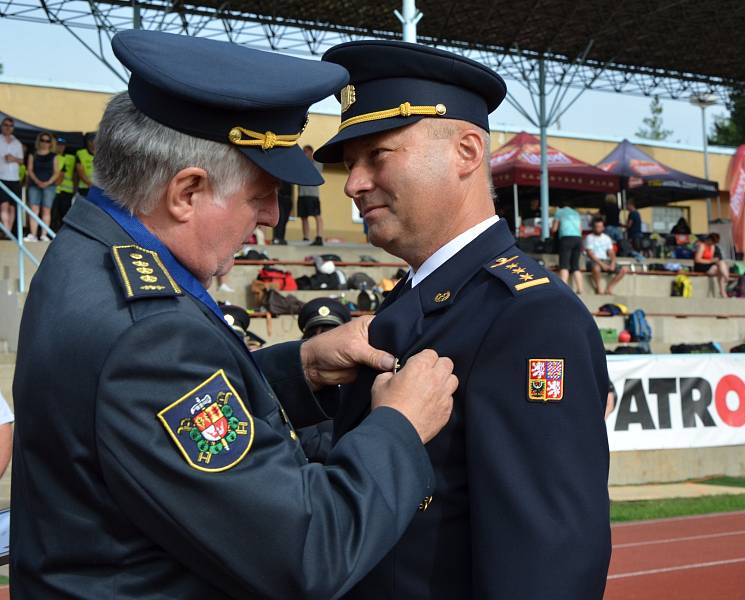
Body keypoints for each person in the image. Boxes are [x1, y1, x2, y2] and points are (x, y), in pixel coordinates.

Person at [11, 30, 459, 599]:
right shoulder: (149, 335)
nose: (273, 216)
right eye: (260, 194)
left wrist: (298, 369)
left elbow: (150, 417)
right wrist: (400, 425)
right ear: (187, 192)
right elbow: (308, 552)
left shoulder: (91, 250)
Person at [314, 40, 611, 600]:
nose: (353, 184)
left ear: (467, 151)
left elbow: (546, 560)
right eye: (350, 164)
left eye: (377, 155)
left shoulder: (530, 315)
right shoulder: (418, 298)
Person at [24, 131, 59, 241]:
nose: (44, 142)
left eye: (47, 141)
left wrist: (48, 182)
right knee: (34, 209)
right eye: (42, 140)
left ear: (50, 143)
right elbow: (29, 170)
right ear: (38, 141)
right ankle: (33, 234)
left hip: (49, 185)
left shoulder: (54, 156)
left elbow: (56, 172)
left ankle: (44, 234)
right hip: (34, 184)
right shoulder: (32, 154)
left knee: (46, 210)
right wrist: (38, 181)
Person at [584, 216, 628, 295]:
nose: (598, 229)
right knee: (596, 268)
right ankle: (599, 288)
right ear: (593, 227)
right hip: (594, 261)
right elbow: (590, 254)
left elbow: (611, 252)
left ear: (603, 227)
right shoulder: (589, 237)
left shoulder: (607, 238)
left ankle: (609, 288)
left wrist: (613, 263)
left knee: (624, 270)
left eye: (600, 227)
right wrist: (602, 264)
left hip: (605, 260)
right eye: (597, 227)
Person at [550, 199, 585, 293]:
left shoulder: (559, 212)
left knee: (564, 265)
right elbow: (580, 229)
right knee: (575, 266)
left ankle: (564, 289)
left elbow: (554, 229)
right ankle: (580, 289)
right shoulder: (576, 213)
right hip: (578, 239)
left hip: (566, 239)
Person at [0, 117, 24, 236]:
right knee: (3, 205)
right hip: (2, 178)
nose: (8, 127)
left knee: (12, 207)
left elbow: (21, 160)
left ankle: (7, 232)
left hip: (14, 178)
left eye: (10, 125)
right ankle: (7, 231)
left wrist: (13, 158)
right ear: (1, 126)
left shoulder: (17, 143)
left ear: (13, 128)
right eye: (5, 125)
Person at [298, 144, 324, 245]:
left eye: (306, 152)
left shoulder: (316, 162)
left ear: (310, 152)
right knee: (303, 216)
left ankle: (319, 236)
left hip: (313, 195)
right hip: (302, 194)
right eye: (303, 151)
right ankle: (306, 237)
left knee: (317, 215)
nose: (304, 154)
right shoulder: (300, 164)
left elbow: (315, 173)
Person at [694, 232, 730, 297]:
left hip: (708, 265)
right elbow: (697, 260)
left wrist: (714, 261)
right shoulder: (702, 246)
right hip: (700, 266)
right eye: (713, 242)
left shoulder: (712, 247)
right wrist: (710, 261)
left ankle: (723, 289)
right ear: (709, 239)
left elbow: (710, 259)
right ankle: (725, 284)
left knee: (721, 263)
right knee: (720, 269)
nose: (713, 244)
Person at [52, 136, 77, 231]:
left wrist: (75, 189)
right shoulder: (52, 156)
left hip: (67, 190)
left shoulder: (71, 158)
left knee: (65, 214)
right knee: (54, 213)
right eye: (58, 144)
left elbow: (75, 174)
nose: (60, 147)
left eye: (62, 145)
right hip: (55, 189)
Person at [271, 179, 293, 244]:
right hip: (280, 197)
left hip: (288, 199)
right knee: (280, 219)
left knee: (285, 220)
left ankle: (282, 238)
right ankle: (276, 238)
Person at [75, 132, 95, 200]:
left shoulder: (102, 154)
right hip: (84, 189)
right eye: (91, 140)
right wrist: (92, 185)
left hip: (99, 190)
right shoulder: (81, 153)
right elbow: (81, 173)